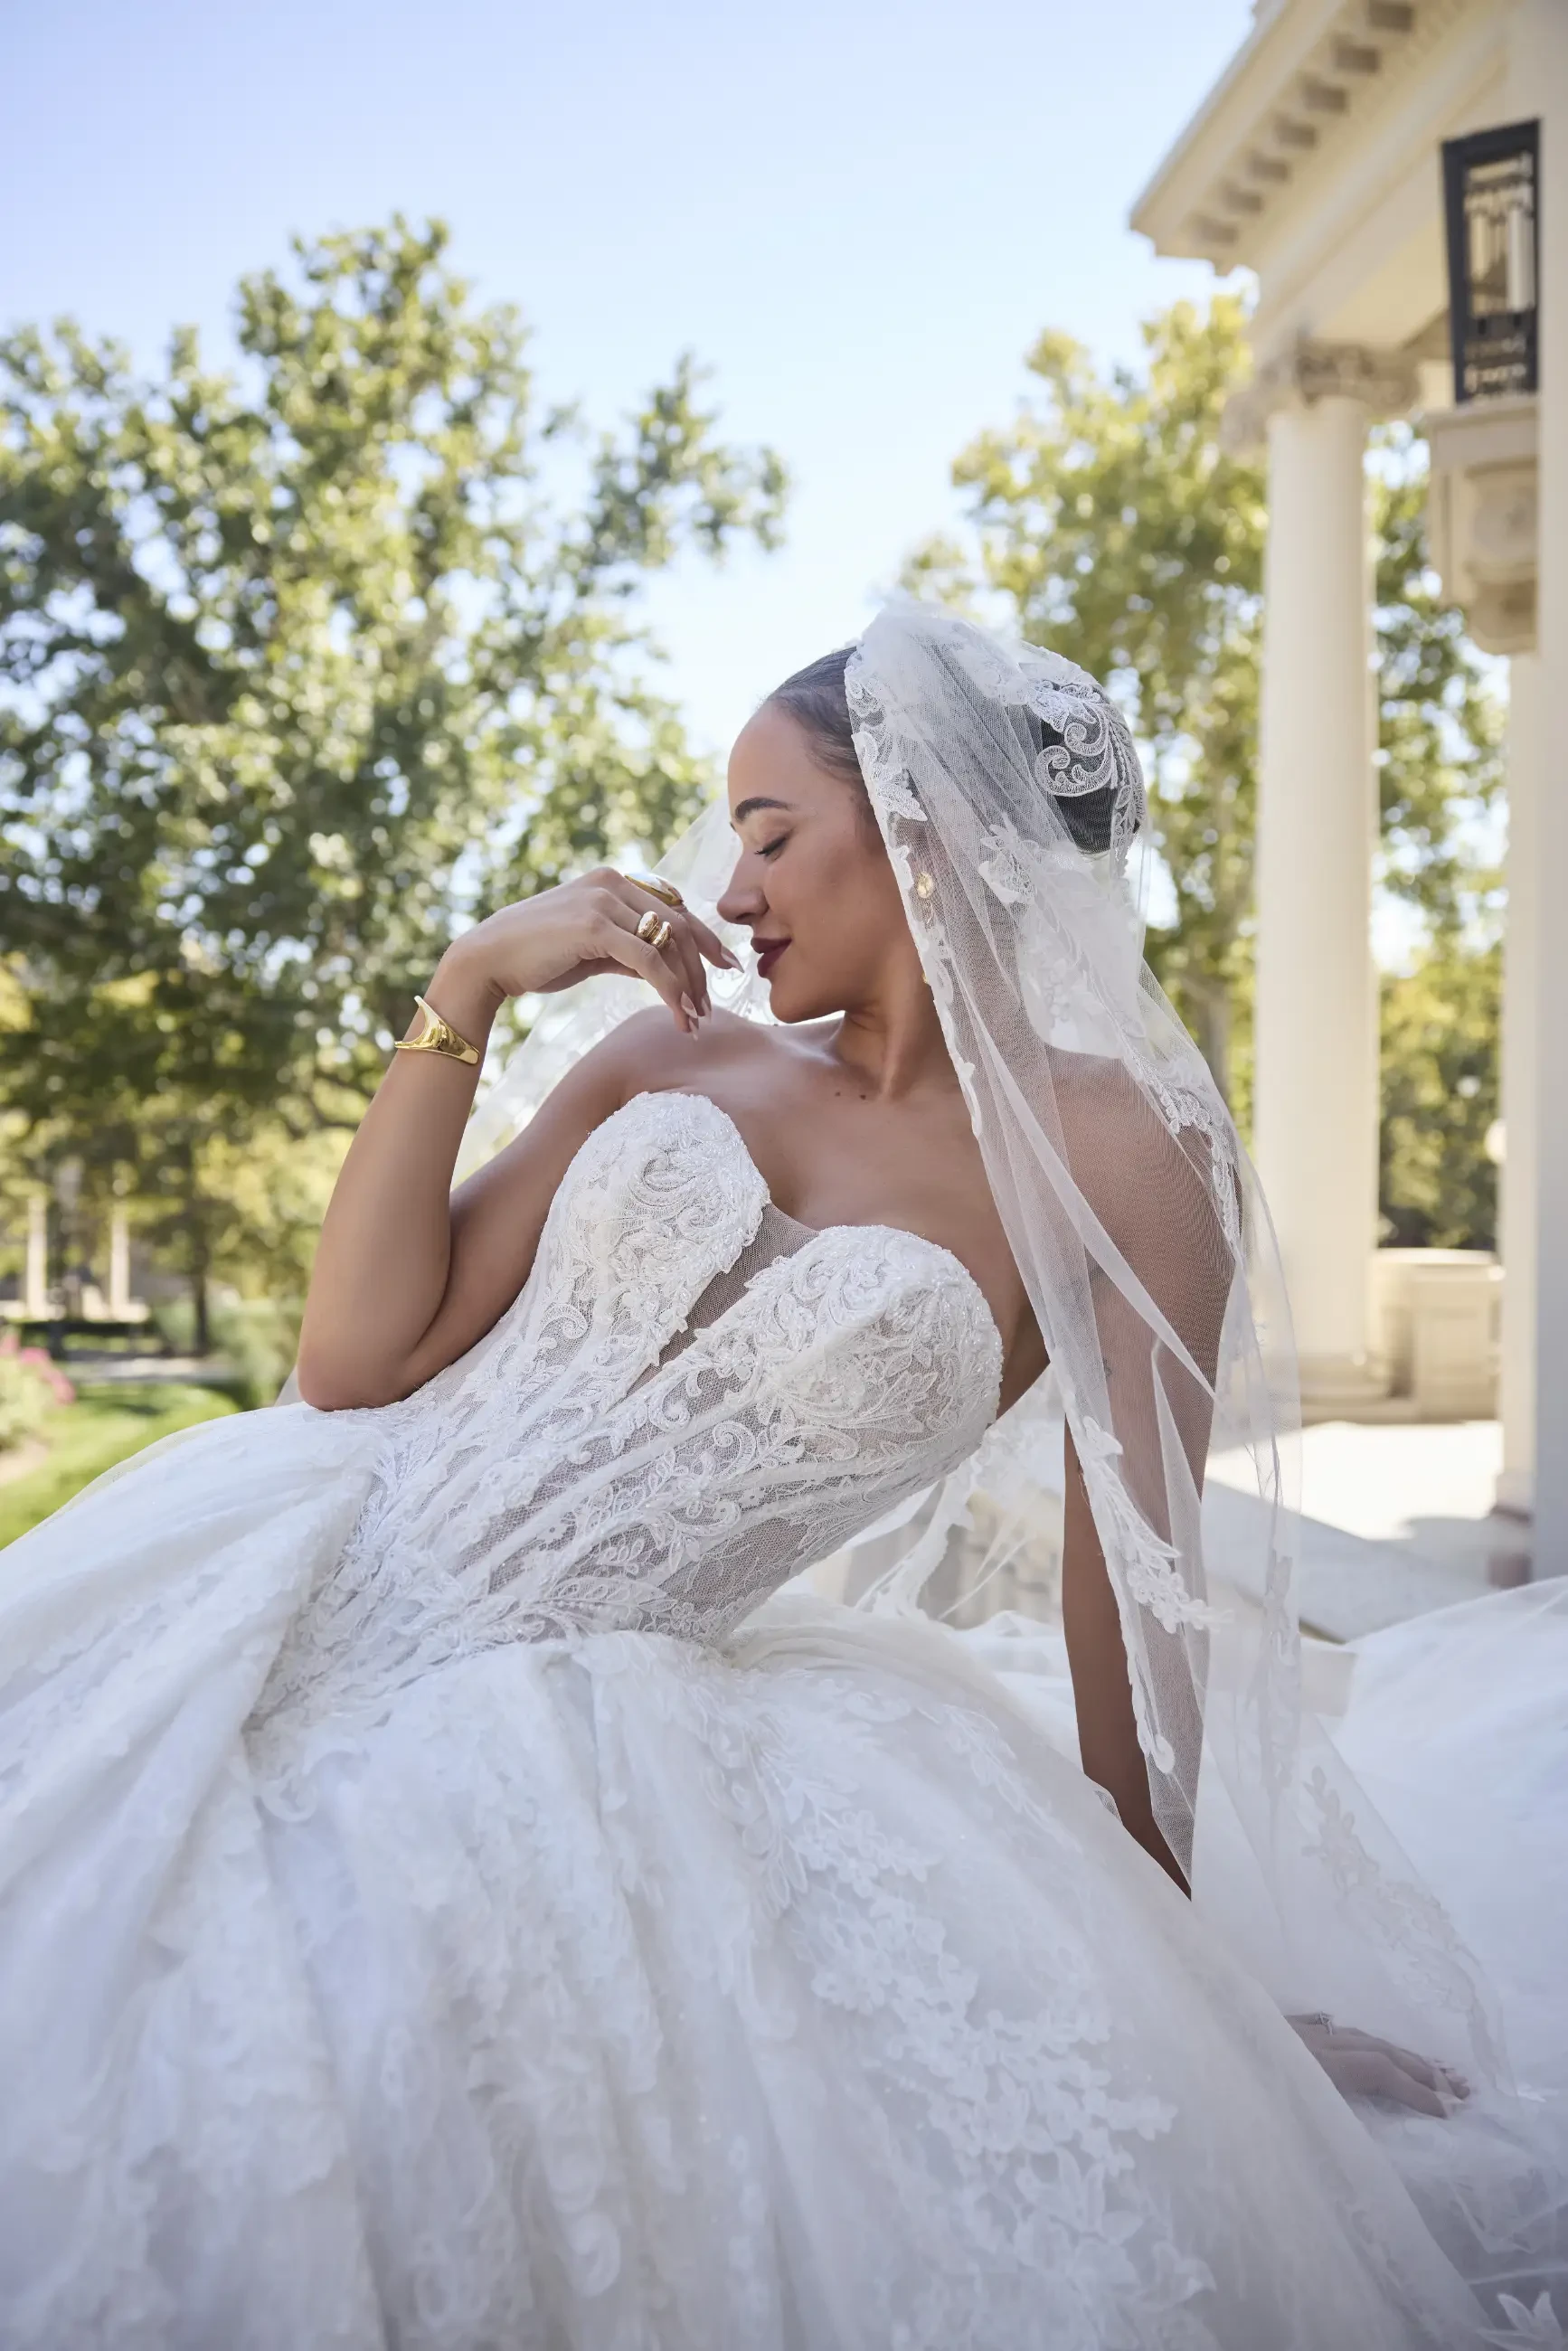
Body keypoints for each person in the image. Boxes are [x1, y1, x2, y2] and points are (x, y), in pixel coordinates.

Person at [0, 601, 1562, 2348]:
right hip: (284, 1566)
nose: (728, 892)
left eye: (768, 833)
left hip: (601, 1718)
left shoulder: (1121, 1156)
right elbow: (354, 1366)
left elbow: (1132, 1572)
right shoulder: (669, 1053)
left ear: (924, 830)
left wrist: (1187, 1982)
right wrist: (467, 984)